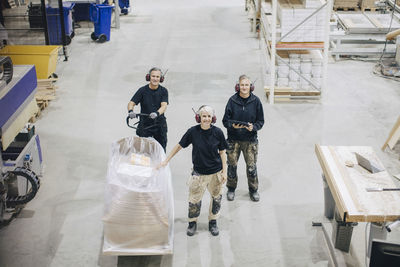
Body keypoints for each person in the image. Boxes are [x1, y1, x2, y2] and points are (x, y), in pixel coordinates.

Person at [158, 105, 227, 236]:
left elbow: (223, 152)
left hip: (215, 173)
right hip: (198, 174)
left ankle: (213, 222)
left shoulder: (218, 132)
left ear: (212, 118)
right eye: (203, 116)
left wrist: (224, 171)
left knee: (217, 199)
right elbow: (179, 146)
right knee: (194, 200)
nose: (206, 119)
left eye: (208, 116)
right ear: (198, 117)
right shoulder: (193, 132)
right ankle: (192, 223)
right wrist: (166, 160)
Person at [222, 75, 264, 202]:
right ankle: (231, 189)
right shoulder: (232, 101)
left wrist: (254, 127)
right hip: (233, 140)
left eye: (246, 85)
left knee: (251, 167)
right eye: (242, 85)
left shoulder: (256, 102)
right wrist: (232, 125)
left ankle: (253, 190)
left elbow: (261, 121)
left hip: (250, 141)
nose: (244, 87)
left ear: (251, 87)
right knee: (232, 166)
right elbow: (225, 121)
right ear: (238, 86)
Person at [127, 67, 169, 151]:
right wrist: (131, 111)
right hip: (145, 125)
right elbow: (131, 103)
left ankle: (160, 164)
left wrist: (157, 113)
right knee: (143, 150)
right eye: (153, 76)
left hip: (159, 125)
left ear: (161, 78)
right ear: (149, 77)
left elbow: (164, 106)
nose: (155, 79)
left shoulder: (164, 91)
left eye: (157, 77)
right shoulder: (142, 90)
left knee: (160, 149)